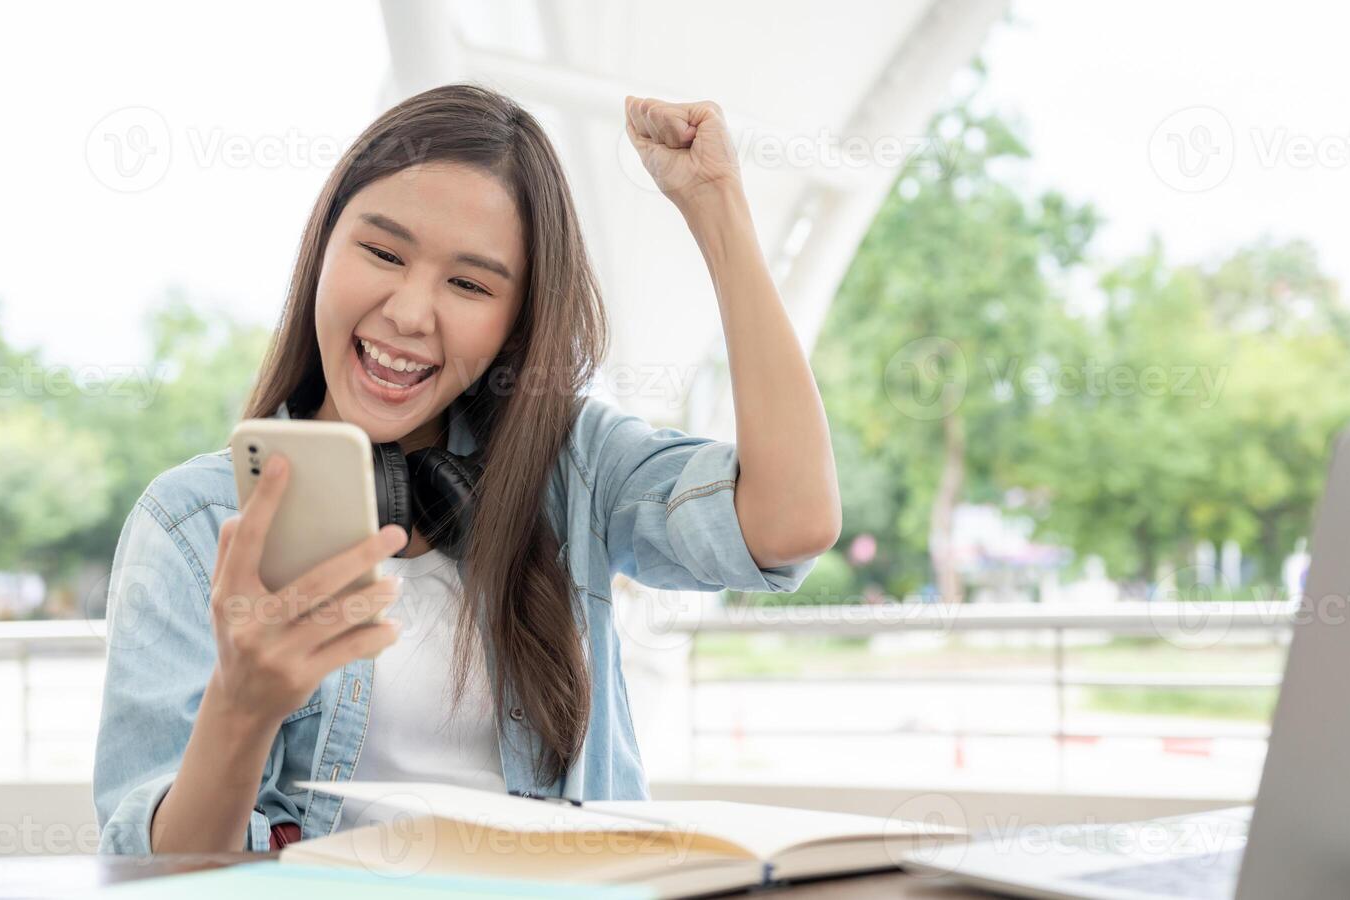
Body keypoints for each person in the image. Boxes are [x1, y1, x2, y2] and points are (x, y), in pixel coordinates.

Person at [92, 84, 842, 855]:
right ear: (322, 247)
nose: (411, 313)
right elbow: (153, 881)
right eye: (382, 253)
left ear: (515, 326)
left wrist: (715, 208)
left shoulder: (571, 465)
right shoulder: (191, 526)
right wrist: (241, 710)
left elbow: (789, 524)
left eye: (470, 285)